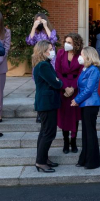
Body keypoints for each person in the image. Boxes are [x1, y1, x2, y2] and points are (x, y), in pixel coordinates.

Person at [32, 40, 63, 173]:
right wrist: (59, 82)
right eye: (50, 49)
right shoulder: (43, 65)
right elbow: (56, 83)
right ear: (43, 51)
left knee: (45, 132)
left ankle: (43, 158)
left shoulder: (44, 64)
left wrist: (57, 81)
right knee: (49, 133)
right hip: (46, 103)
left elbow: (55, 80)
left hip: (46, 103)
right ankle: (40, 162)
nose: (52, 51)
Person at [71, 47, 100, 169]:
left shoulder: (93, 70)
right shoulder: (85, 69)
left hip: (91, 104)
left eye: (82, 54)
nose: (80, 57)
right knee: (85, 133)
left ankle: (92, 161)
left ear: (88, 56)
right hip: (85, 104)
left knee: (90, 133)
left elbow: (89, 90)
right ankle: (84, 158)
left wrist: (76, 100)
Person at [55, 33, 83, 154]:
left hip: (77, 86)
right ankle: (66, 141)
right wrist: (65, 87)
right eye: (66, 41)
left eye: (70, 42)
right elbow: (57, 71)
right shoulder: (61, 53)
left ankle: (74, 141)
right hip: (63, 86)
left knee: (75, 116)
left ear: (76, 44)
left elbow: (82, 72)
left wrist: (73, 87)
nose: (67, 44)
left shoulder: (81, 54)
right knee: (64, 115)